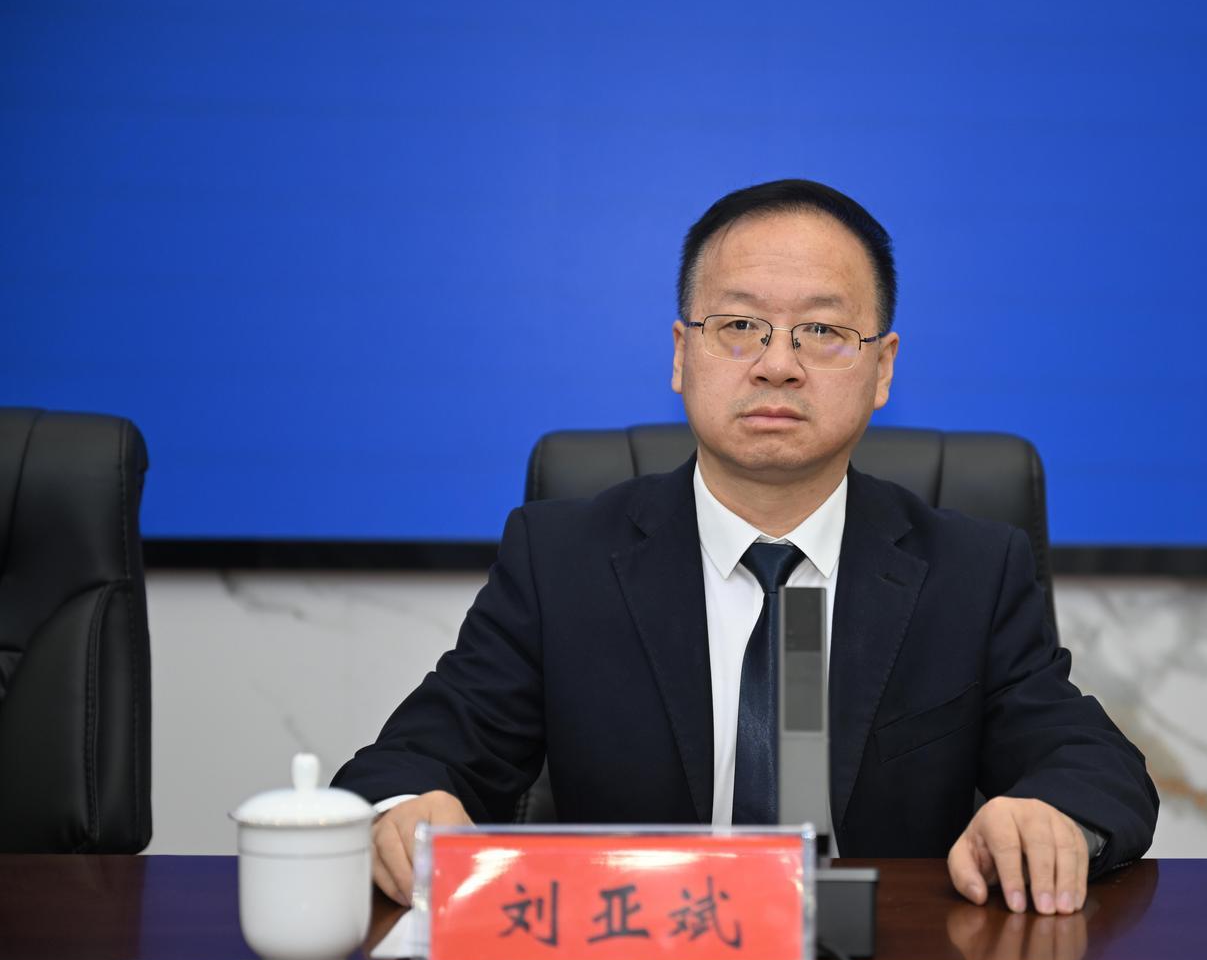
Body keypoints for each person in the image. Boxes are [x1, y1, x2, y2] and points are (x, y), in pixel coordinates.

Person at [333, 179, 1158, 917]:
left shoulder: (970, 574)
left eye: (822, 330)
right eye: (738, 326)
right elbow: (407, 762)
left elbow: (1095, 767)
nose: (777, 364)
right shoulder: (561, 561)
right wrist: (407, 809)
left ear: (882, 369)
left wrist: (1050, 817)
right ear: (680, 353)